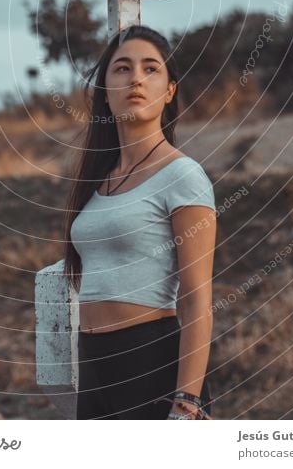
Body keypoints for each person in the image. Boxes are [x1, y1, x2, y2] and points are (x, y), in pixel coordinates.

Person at [63, 24, 217, 419]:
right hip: (94, 365)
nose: (136, 79)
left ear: (169, 91)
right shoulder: (96, 180)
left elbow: (197, 298)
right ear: (105, 90)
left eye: (151, 69)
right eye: (122, 68)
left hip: (150, 364)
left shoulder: (182, 176)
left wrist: (188, 401)